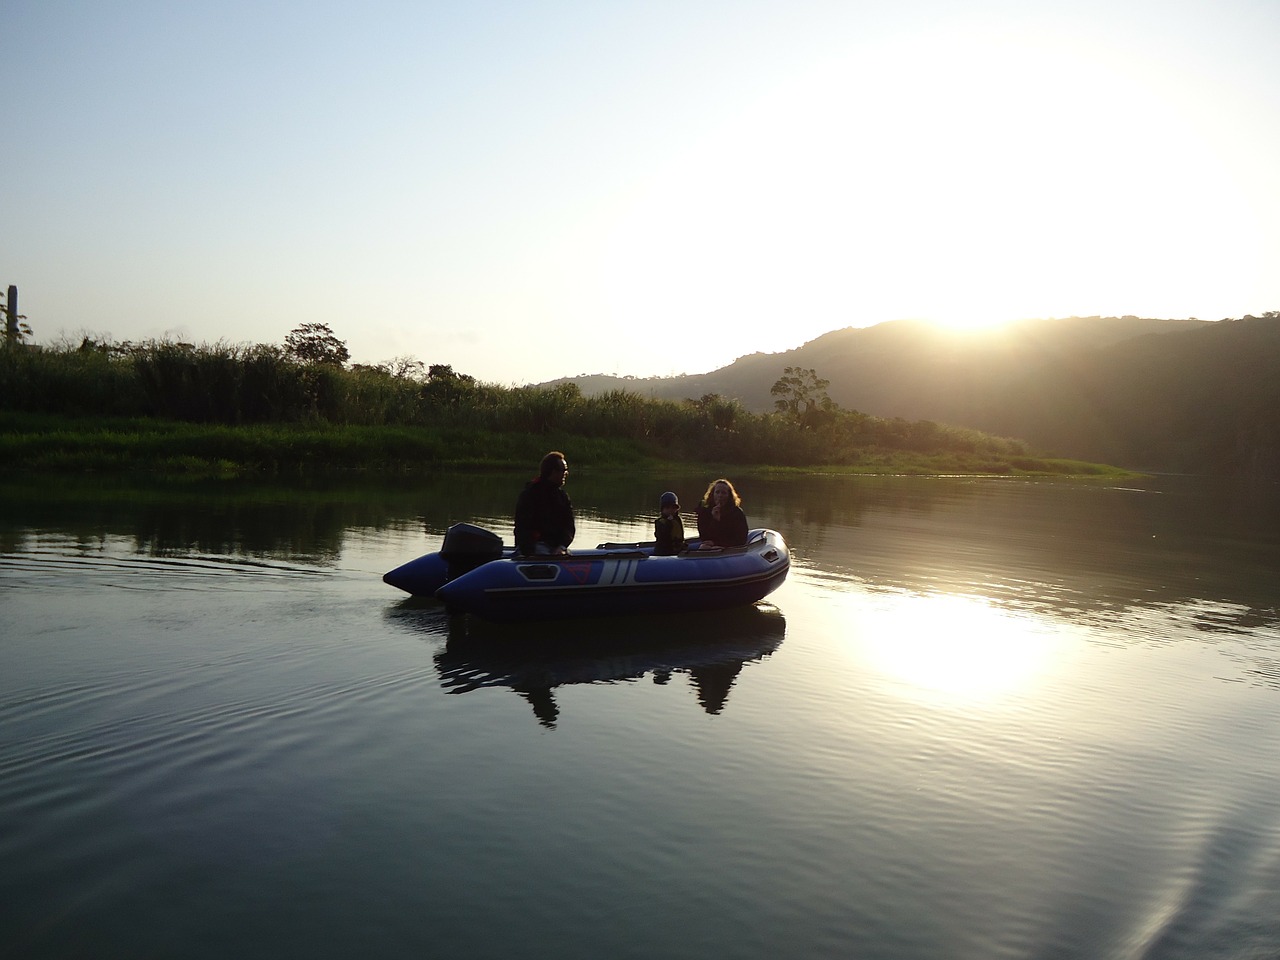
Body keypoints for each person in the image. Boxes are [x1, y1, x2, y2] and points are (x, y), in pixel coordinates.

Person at [513, 451, 575, 556]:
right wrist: (529, 551)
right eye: (563, 470)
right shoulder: (530, 494)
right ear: (553, 471)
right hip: (534, 547)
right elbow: (523, 527)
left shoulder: (562, 496)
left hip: (556, 548)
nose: (566, 474)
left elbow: (569, 527)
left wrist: (562, 546)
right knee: (541, 550)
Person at [696, 477, 748, 549]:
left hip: (730, 547)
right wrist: (715, 520)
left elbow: (741, 539)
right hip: (710, 546)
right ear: (712, 494)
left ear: (729, 496)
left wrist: (719, 544)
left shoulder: (737, 513)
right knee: (703, 547)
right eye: (717, 492)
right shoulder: (705, 512)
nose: (720, 496)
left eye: (724, 493)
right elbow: (704, 537)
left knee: (714, 548)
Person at [653, 490, 686, 556]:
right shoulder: (659, 522)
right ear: (662, 509)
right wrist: (668, 524)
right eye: (667, 508)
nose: (671, 510)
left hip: (677, 551)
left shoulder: (678, 520)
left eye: (673, 508)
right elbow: (662, 538)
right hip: (664, 552)